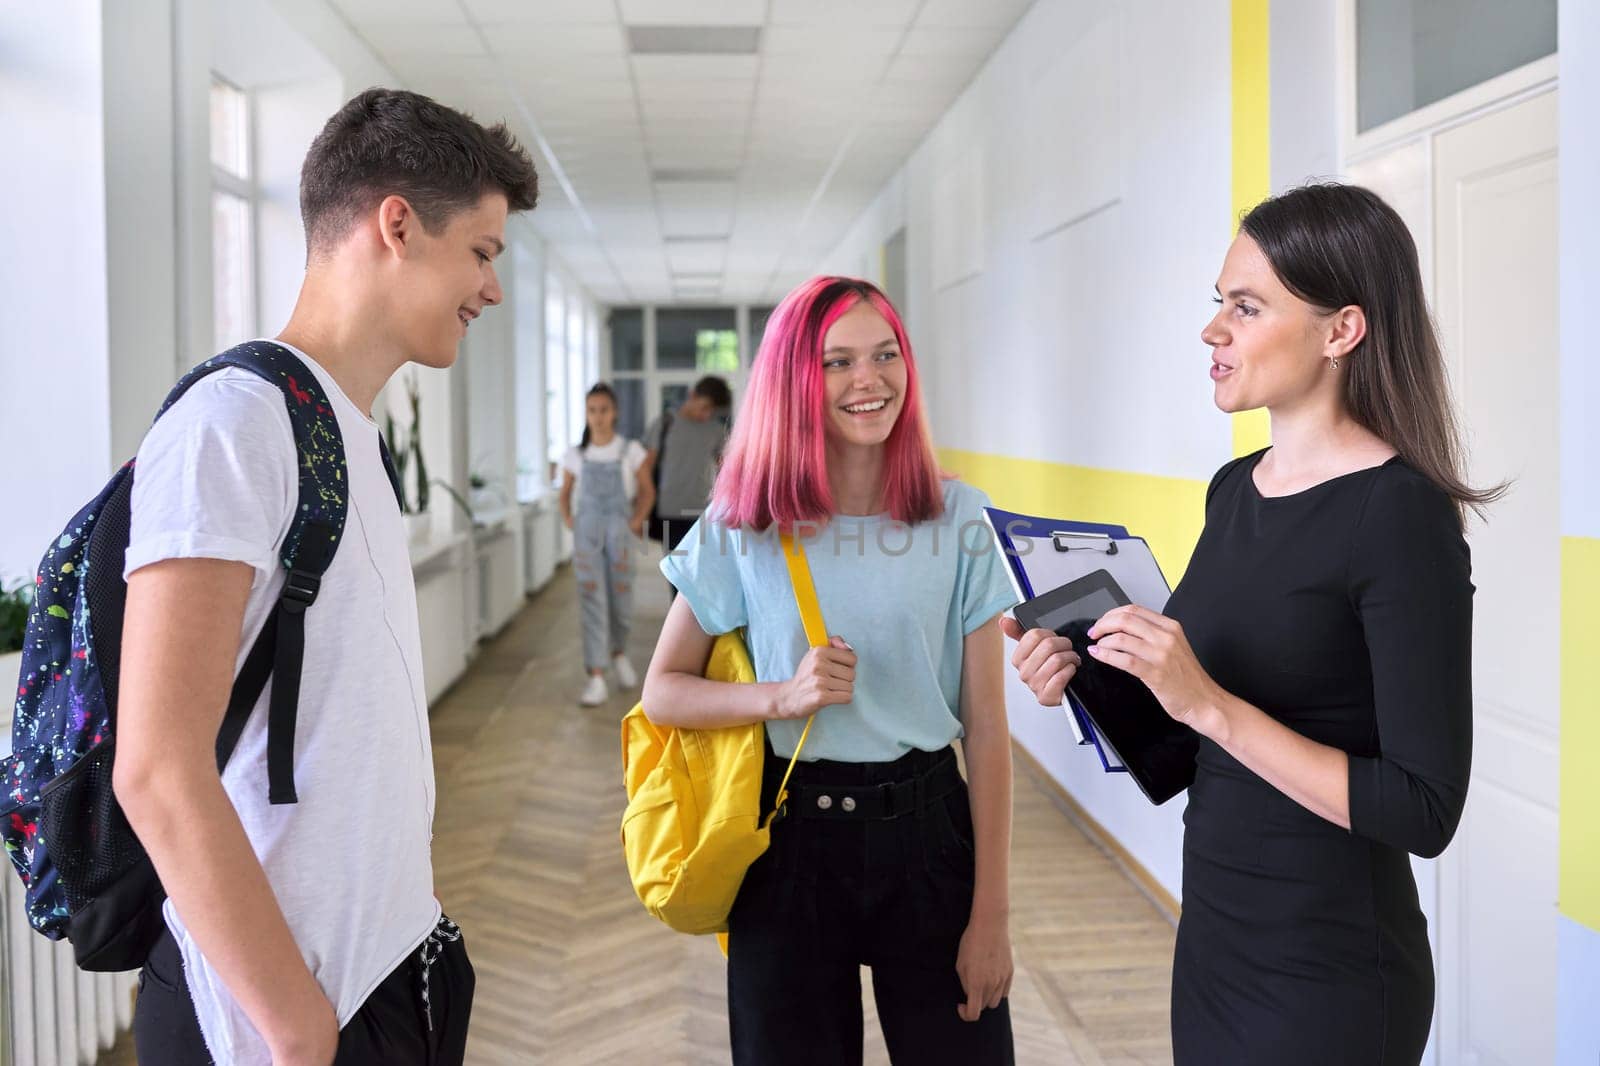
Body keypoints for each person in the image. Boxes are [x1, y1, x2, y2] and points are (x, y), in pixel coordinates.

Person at [1004, 182, 1492, 1065]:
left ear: (1342, 330)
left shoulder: (1399, 515)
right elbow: (1183, 748)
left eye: (1246, 306)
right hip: (1216, 942)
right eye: (1217, 304)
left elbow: (1423, 808)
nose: (1212, 331)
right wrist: (1092, 674)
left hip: (1330, 975)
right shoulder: (1236, 490)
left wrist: (1209, 705)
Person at [116, 88, 538, 1066]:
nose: (492, 287)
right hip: (275, 1017)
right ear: (398, 223)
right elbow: (156, 765)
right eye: (482, 252)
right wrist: (299, 1026)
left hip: (379, 972)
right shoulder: (235, 424)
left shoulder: (344, 432)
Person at [641, 277, 1019, 1065]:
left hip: (930, 836)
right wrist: (782, 694)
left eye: (885, 355)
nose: (868, 380)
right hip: (789, 845)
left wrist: (992, 916)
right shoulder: (743, 523)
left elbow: (986, 731)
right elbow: (663, 691)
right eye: (837, 362)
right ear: (794, 381)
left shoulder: (961, 520)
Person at [559, 383, 654, 707]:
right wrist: (570, 520)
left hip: (619, 531)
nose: (598, 417)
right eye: (592, 410)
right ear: (586, 414)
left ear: (614, 413)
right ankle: (596, 675)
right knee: (592, 598)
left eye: (603, 410)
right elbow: (565, 492)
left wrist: (637, 519)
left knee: (622, 597)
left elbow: (647, 491)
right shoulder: (576, 454)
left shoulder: (631, 451)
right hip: (587, 533)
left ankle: (619, 653)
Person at [642, 374, 733, 561]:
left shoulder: (715, 430)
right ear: (692, 395)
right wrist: (642, 509)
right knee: (676, 575)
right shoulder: (664, 424)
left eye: (712, 411)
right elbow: (646, 468)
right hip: (669, 511)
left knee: (703, 572)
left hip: (702, 512)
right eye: (705, 407)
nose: (707, 414)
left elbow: (727, 468)